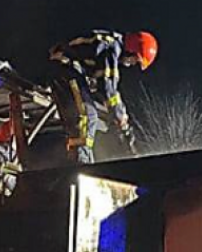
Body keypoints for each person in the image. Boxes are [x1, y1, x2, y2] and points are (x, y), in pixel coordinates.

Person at [49, 30, 158, 163]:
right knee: (87, 115)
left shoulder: (110, 45)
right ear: (132, 49)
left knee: (92, 114)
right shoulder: (111, 48)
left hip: (67, 69)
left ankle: (83, 159)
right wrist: (121, 118)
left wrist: (116, 114)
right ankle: (80, 162)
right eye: (135, 59)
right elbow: (109, 89)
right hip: (64, 67)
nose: (132, 63)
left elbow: (103, 86)